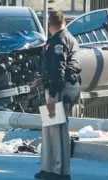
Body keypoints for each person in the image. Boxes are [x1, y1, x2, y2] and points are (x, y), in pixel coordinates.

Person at [35, 10, 81, 180]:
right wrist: (41, 81)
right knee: (49, 129)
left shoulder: (59, 41)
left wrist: (53, 96)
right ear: (64, 22)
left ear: (48, 25)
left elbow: (59, 69)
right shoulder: (64, 38)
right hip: (56, 87)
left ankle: (61, 172)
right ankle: (48, 169)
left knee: (59, 130)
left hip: (60, 89)